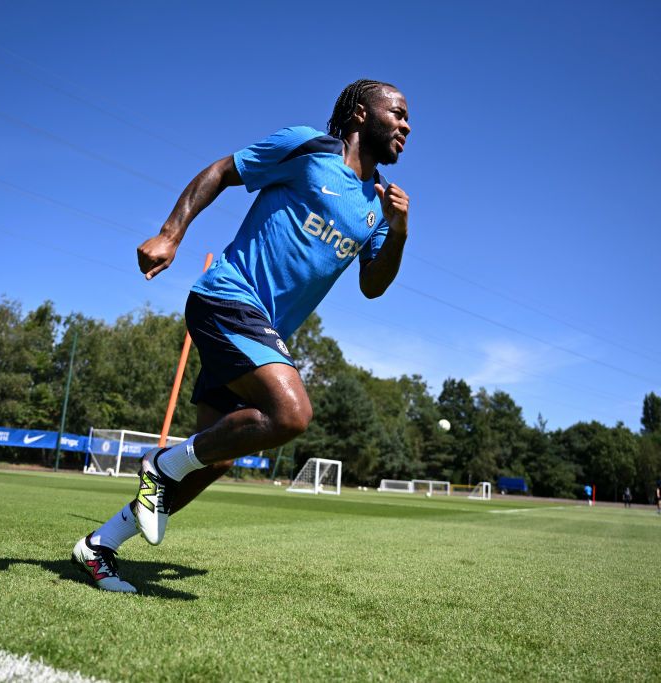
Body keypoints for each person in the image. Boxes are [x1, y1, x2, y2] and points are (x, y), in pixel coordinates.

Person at [72, 80, 412, 592]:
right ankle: (160, 463)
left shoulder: (379, 205)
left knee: (218, 456)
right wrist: (171, 233)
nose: (407, 126)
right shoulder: (308, 148)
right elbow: (222, 170)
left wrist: (399, 231)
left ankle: (99, 546)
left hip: (260, 331)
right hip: (227, 298)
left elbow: (373, 286)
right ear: (362, 114)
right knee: (292, 414)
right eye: (399, 114)